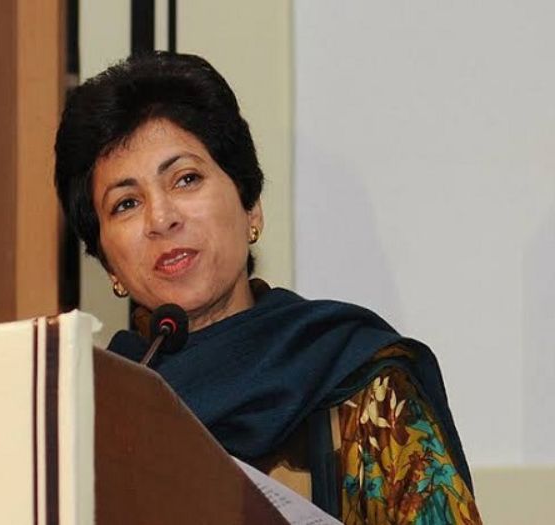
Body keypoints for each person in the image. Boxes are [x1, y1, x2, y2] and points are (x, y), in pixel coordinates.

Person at [54, 52, 481, 524]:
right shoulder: (92, 415)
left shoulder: (363, 388)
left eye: (186, 179)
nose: (161, 218)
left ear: (250, 205)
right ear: (108, 263)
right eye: (126, 203)